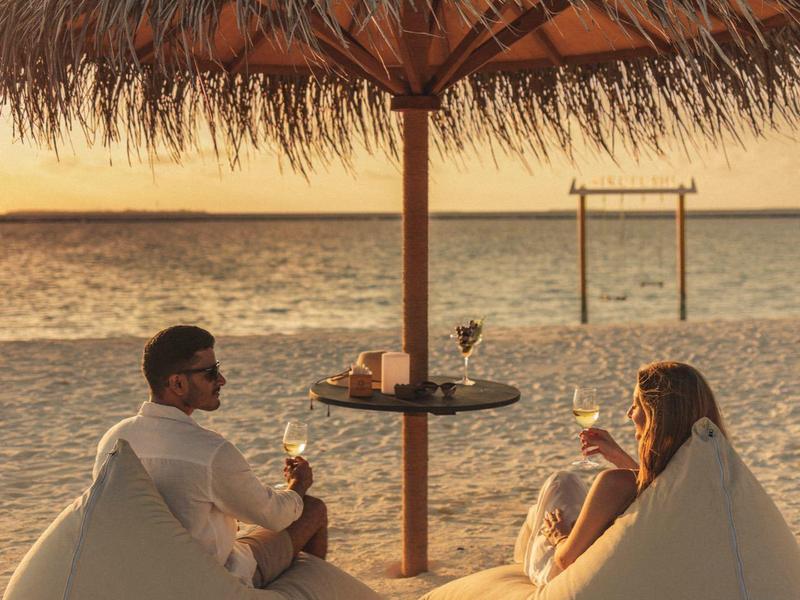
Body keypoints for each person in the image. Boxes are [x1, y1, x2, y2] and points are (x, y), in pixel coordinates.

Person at [93, 325, 328, 589]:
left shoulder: (114, 439)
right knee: (311, 509)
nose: (222, 380)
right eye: (211, 372)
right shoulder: (210, 451)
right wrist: (298, 486)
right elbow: (274, 516)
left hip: (143, 578)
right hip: (211, 582)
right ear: (177, 383)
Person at [513, 361, 727, 585]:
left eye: (636, 405)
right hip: (661, 573)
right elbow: (656, 489)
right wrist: (617, 455)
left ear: (655, 416)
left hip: (570, 578)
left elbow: (566, 560)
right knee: (566, 487)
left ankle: (525, 548)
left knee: (558, 485)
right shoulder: (709, 472)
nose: (629, 414)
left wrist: (559, 536)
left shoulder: (614, 484)